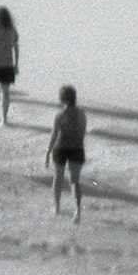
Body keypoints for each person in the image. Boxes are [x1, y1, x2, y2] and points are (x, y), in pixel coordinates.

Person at [46, 84, 87, 220]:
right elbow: (82, 133)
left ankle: (57, 207)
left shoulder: (60, 115)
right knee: (75, 181)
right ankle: (77, 210)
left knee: (58, 177)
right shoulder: (82, 114)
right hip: (77, 148)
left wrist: (48, 152)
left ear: (62, 99)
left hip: (61, 148)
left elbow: (54, 135)